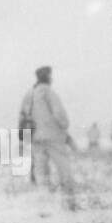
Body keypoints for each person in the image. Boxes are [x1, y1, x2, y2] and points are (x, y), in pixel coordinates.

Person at [19, 66, 76, 194]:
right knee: (64, 169)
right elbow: (59, 114)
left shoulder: (29, 94)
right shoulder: (49, 92)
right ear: (48, 77)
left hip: (36, 139)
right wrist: (64, 126)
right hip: (53, 137)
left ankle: (45, 199)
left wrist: (26, 139)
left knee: (41, 173)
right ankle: (68, 198)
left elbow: (22, 118)